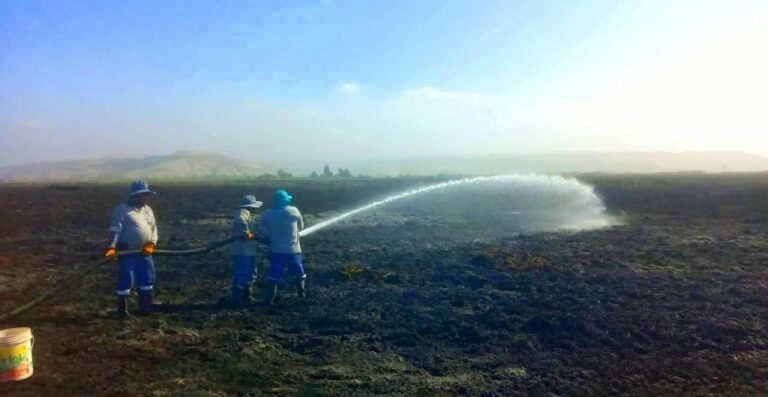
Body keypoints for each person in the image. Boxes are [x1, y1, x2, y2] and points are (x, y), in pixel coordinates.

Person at [105, 180, 159, 316]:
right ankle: (122, 309)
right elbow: (115, 229)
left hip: (145, 251)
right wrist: (111, 247)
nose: (144, 198)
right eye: (141, 195)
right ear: (133, 196)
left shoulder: (148, 210)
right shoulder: (122, 209)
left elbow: (153, 229)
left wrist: (151, 243)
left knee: (147, 278)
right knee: (127, 277)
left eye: (146, 195)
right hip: (127, 250)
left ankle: (145, 308)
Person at [258, 189, 306, 305]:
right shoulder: (294, 211)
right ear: (286, 201)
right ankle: (302, 294)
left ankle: (269, 300)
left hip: (276, 251)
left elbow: (259, 227)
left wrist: (269, 235)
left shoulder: (267, 214)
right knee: (299, 274)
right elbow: (301, 227)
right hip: (293, 250)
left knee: (273, 276)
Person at [229, 195, 264, 307]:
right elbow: (241, 220)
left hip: (249, 251)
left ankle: (247, 297)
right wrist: (247, 233)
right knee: (242, 274)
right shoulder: (243, 212)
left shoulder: (248, 214)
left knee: (251, 273)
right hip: (242, 251)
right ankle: (237, 299)